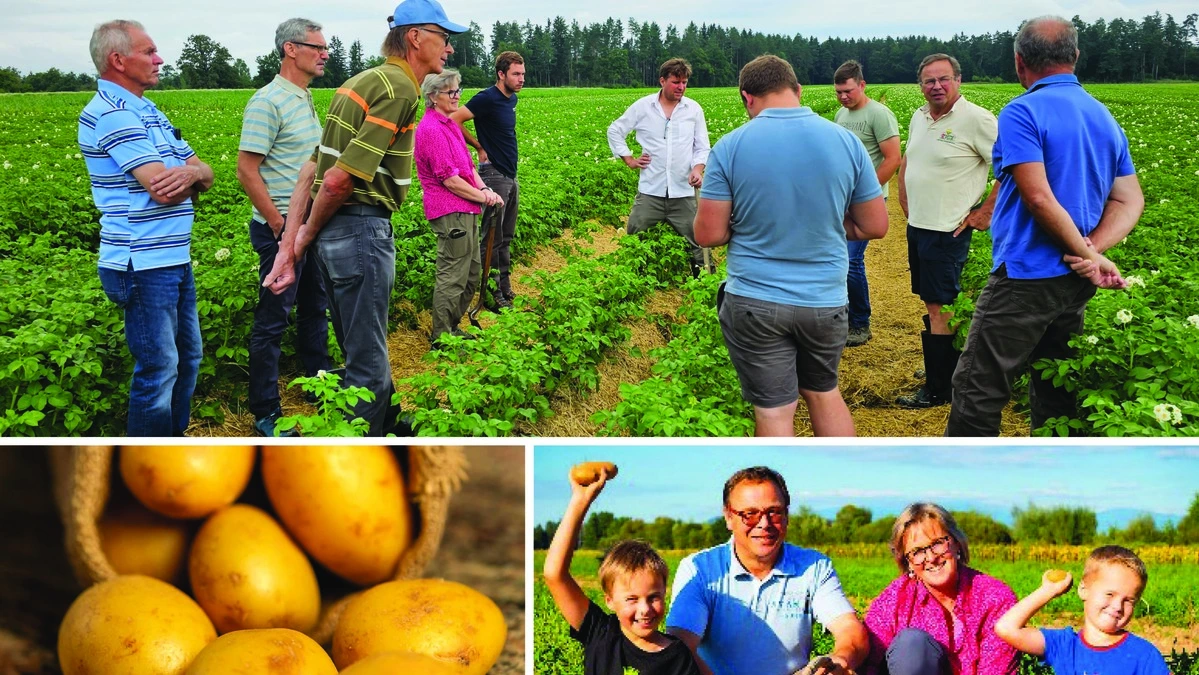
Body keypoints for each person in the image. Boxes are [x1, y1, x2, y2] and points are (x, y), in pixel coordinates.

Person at [263, 0, 466, 436]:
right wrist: (301, 238)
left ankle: (391, 424)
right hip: (359, 229)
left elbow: (310, 170)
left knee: (361, 347)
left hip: (335, 235)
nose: (448, 49)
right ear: (415, 37)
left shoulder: (358, 82)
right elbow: (338, 180)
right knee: (367, 362)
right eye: (444, 38)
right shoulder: (399, 89)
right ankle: (358, 449)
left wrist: (293, 243)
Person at [947, 16, 1143, 436]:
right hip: (1073, 279)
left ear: (1020, 63)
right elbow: (1129, 198)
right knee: (1056, 381)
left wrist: (1087, 253)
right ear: (1075, 57)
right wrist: (1090, 252)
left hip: (1025, 277)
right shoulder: (1102, 115)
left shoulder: (1023, 111)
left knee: (977, 387)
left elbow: (1037, 197)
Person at [694, 55, 888, 437]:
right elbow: (875, 225)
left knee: (774, 410)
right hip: (825, 301)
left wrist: (751, 226)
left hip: (755, 300)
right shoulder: (847, 142)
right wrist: (827, 224)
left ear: (746, 98)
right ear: (797, 91)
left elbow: (709, 235)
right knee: (824, 392)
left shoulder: (731, 146)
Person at [79, 20, 214, 436]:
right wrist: (189, 176)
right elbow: (163, 190)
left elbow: (204, 174)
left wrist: (191, 176)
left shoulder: (148, 110)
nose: (159, 59)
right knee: (159, 368)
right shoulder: (112, 115)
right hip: (141, 261)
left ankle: (173, 444)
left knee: (187, 359)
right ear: (118, 60)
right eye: (149, 52)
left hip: (172, 256)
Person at [666, 466, 868, 675]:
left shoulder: (814, 567)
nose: (764, 523)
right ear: (728, 516)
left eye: (774, 511)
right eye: (750, 514)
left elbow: (849, 630)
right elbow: (680, 647)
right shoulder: (700, 569)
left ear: (787, 515)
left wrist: (840, 660)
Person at [236, 17, 332, 437]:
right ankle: (265, 409)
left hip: (307, 224)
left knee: (315, 307)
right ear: (291, 49)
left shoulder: (304, 98)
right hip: (281, 229)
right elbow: (246, 170)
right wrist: (280, 228)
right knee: (274, 317)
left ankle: (318, 383)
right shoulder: (268, 101)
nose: (325, 53)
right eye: (317, 46)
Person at [896, 53, 998, 409]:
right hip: (920, 226)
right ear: (920, 85)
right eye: (928, 81)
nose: (936, 86)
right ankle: (942, 368)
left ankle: (941, 390)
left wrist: (985, 211)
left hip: (946, 230)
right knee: (931, 300)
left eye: (943, 79)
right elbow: (909, 159)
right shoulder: (919, 117)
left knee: (942, 306)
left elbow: (1013, 167)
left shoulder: (977, 120)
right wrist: (904, 195)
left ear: (959, 80)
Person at [543, 468, 700, 675]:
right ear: (609, 600)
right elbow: (555, 573)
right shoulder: (600, 632)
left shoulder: (677, 656)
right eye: (632, 599)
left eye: (653, 597)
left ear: (665, 593)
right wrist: (580, 501)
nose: (645, 609)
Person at [862, 503, 1017, 675]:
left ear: (956, 543)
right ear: (908, 562)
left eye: (937, 543)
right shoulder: (894, 600)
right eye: (917, 552)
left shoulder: (995, 598)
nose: (931, 557)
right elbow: (868, 664)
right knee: (912, 644)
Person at [414, 68, 504, 346]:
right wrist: (483, 197)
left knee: (471, 271)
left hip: (466, 208)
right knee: (453, 274)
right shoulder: (430, 130)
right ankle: (442, 337)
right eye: (450, 92)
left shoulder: (450, 124)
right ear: (432, 96)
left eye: (457, 91)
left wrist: (485, 189)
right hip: (450, 210)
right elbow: (451, 181)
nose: (456, 97)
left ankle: (453, 327)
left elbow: (466, 168)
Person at [607, 58, 713, 277]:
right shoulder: (643, 107)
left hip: (683, 192)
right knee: (635, 235)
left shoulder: (693, 110)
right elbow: (615, 130)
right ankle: (633, 282)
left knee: (699, 242)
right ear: (662, 81)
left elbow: (702, 147)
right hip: (651, 190)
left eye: (684, 82)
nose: (681, 87)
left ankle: (704, 285)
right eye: (676, 82)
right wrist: (628, 159)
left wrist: (697, 169)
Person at [994, 546, 1167, 674]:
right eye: (1110, 594)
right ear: (1084, 590)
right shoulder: (1064, 646)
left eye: (1129, 600)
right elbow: (1006, 628)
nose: (1117, 606)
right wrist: (1048, 590)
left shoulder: (1144, 655)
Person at [833, 59, 900, 347]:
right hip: (843, 200)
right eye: (838, 92)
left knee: (851, 259)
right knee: (838, 259)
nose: (843, 97)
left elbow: (893, 158)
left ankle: (860, 322)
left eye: (848, 91)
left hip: (867, 201)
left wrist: (866, 194)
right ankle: (843, 317)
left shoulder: (879, 115)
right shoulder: (840, 115)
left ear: (862, 85)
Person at [450, 51, 525, 309]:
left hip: (510, 174)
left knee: (506, 234)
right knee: (492, 236)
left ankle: (504, 286)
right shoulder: (487, 98)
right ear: (501, 74)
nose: (521, 79)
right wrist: (478, 146)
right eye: (515, 74)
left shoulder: (511, 99)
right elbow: (454, 120)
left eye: (523, 74)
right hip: (493, 174)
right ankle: (491, 293)